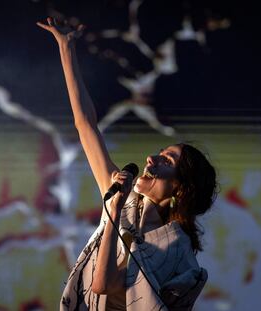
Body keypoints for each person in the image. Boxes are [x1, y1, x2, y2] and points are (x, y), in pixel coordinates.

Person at [37, 17, 217, 311]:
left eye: (167, 160)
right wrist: (66, 49)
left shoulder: (175, 248)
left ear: (180, 189)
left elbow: (103, 285)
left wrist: (114, 213)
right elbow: (86, 126)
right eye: (159, 151)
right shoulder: (125, 198)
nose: (151, 158)